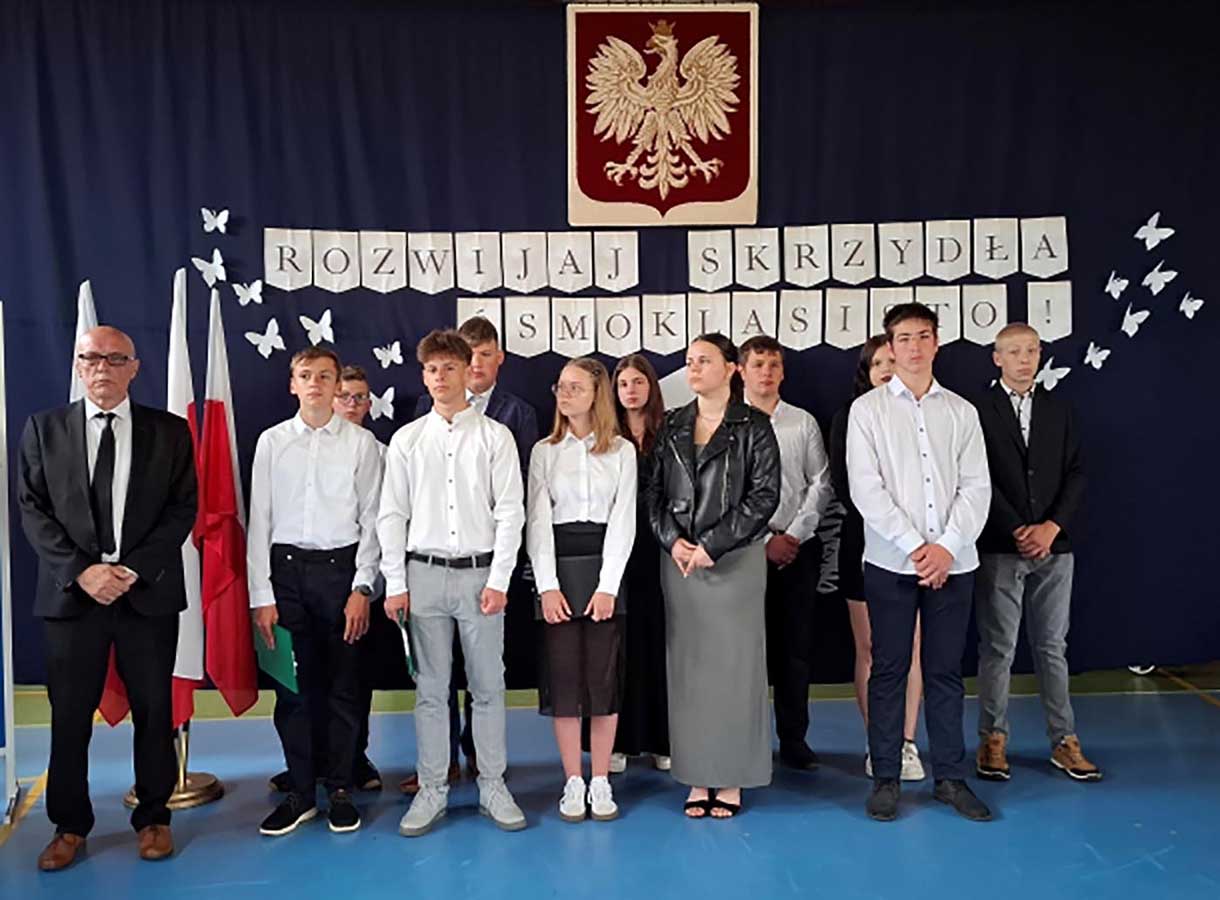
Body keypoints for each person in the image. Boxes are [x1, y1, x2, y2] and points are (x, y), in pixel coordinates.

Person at [19, 326, 197, 870]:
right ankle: (69, 826)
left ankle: (154, 817)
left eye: (115, 359)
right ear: (78, 366)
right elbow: (33, 509)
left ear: (134, 368)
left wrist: (132, 570)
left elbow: (183, 509)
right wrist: (83, 572)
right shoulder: (44, 429)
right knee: (70, 716)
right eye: (92, 359)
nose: (102, 368)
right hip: (72, 598)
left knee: (154, 710)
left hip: (146, 595)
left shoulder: (169, 432)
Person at [846, 303, 993, 822]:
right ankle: (886, 776)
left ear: (936, 343)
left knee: (945, 672)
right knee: (889, 669)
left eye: (923, 336)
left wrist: (947, 547)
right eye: (903, 338)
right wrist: (915, 546)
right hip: (891, 562)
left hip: (954, 563)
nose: (914, 346)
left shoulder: (961, 412)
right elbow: (867, 490)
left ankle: (950, 778)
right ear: (890, 347)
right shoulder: (867, 411)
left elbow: (976, 486)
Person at [380, 329, 527, 836]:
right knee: (430, 690)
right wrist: (395, 582)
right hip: (423, 576)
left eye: (449, 367)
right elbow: (391, 514)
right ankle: (432, 788)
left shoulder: (495, 437)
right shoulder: (407, 440)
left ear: (468, 371)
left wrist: (500, 579)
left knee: (488, 686)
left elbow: (510, 513)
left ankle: (492, 784)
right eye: (431, 369)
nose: (440, 377)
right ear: (423, 376)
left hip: (481, 576)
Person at [248, 348, 383, 836]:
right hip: (285, 576)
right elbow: (259, 519)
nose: (315, 384)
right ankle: (302, 792)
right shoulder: (272, 442)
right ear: (293, 384)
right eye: (305, 376)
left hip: (340, 573)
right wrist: (261, 595)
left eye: (324, 376)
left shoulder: (361, 444)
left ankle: (341, 788)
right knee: (293, 692)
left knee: (344, 688)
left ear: (336, 385)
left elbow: (372, 519)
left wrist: (362, 587)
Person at [649, 333, 780, 819]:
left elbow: (764, 496)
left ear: (731, 369)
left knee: (736, 671)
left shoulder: (755, 425)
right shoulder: (672, 425)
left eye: (704, 360)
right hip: (681, 563)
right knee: (689, 671)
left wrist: (712, 545)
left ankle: (732, 777)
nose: (693, 368)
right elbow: (653, 493)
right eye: (689, 361)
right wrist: (674, 541)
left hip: (735, 562)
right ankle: (697, 774)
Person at [974, 324, 1099, 782]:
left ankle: (1064, 740)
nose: (1024, 359)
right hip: (1000, 546)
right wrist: (1015, 527)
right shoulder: (977, 411)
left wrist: (1051, 527)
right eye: (1014, 351)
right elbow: (976, 476)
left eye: (1031, 351)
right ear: (997, 358)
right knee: (998, 647)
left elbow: (1077, 473)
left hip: (1055, 547)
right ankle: (992, 738)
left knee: (1052, 647)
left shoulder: (1060, 409)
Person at [527, 357, 636, 822]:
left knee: (603, 680)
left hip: (605, 569)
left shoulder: (622, 451)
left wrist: (608, 585)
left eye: (575, 387)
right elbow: (537, 522)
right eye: (561, 387)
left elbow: (624, 520)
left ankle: (601, 779)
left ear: (597, 394)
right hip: (559, 569)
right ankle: (573, 779)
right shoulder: (544, 451)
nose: (565, 394)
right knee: (565, 679)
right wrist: (547, 587)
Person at [829, 336, 926, 781]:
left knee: (911, 648)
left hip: (919, 546)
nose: (887, 369)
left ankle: (906, 742)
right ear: (866, 373)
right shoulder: (849, 417)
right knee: (870, 648)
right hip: (863, 542)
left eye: (893, 360)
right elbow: (847, 485)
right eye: (877, 363)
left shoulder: (923, 414)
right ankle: (879, 742)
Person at [740, 335, 832, 771]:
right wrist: (763, 541)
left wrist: (793, 535)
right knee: (746, 653)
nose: (766, 372)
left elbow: (821, 482)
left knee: (795, 651)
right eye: (758, 364)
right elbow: (726, 494)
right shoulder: (727, 422)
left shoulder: (802, 422)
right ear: (741, 371)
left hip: (798, 551)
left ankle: (794, 739)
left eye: (774, 365)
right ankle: (749, 742)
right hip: (743, 554)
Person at [607, 354, 670, 773]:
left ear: (651, 387)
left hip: (660, 550)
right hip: (618, 554)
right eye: (624, 383)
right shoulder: (606, 436)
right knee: (620, 646)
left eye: (638, 382)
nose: (631, 390)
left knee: (659, 642)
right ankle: (620, 741)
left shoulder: (669, 434)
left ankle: (663, 739)